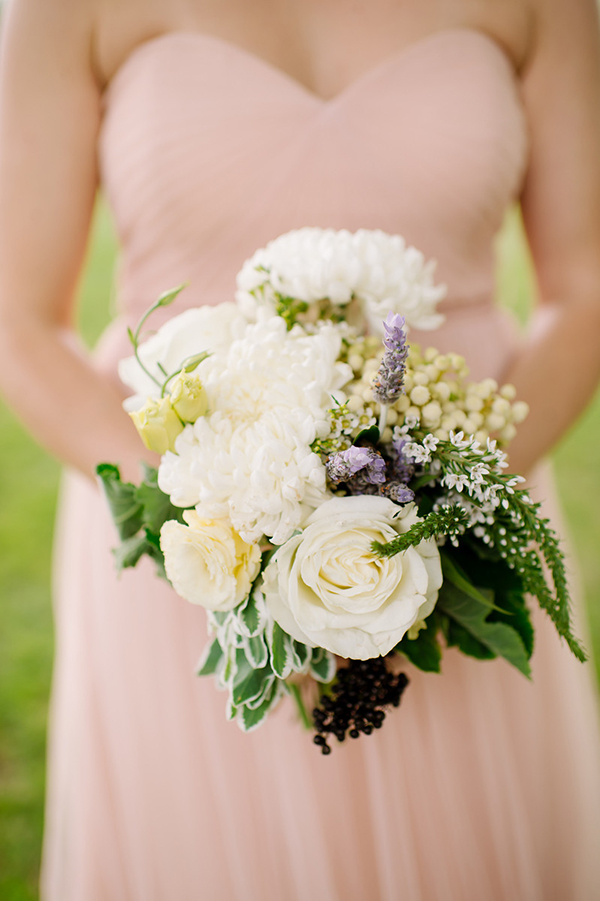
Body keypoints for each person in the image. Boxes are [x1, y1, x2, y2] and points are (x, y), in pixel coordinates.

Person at [1, 0, 600, 897]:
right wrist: (213, 519)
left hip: (462, 523)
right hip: (188, 547)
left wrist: (436, 512)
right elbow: (17, 320)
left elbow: (586, 282)